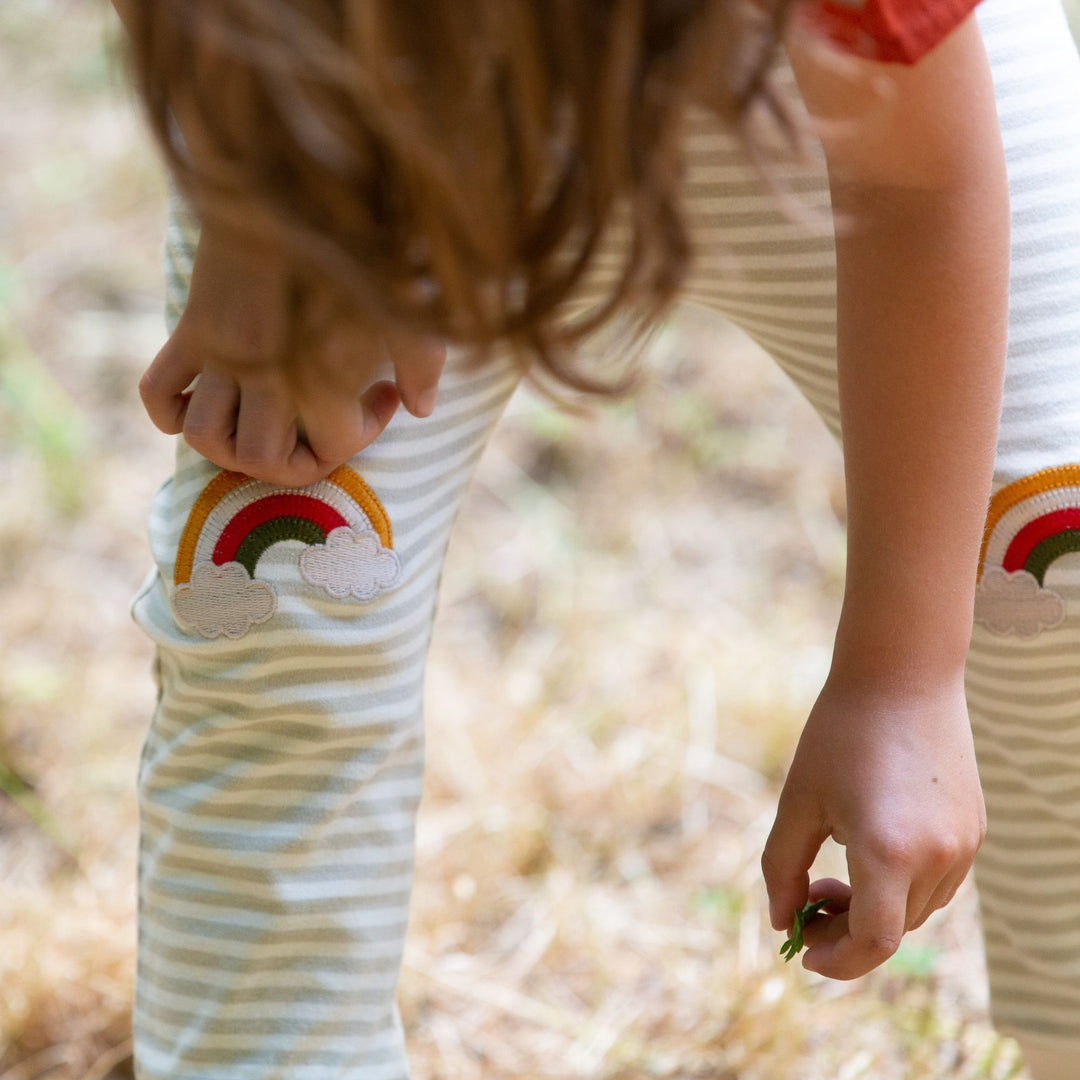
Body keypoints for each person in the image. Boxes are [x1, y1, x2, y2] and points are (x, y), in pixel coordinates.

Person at [110, 0, 1080, 1077]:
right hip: (359, 77)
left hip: (851, 83)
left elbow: (918, 181)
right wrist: (262, 194)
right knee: (283, 584)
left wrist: (904, 676)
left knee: (1051, 552)